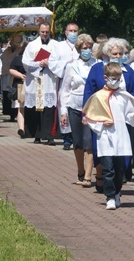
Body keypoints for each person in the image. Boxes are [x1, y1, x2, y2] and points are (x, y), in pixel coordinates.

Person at [83, 63, 134, 210]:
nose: (115, 81)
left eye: (118, 78)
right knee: (108, 168)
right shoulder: (98, 97)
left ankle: (117, 192)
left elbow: (128, 114)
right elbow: (89, 118)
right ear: (105, 78)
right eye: (112, 78)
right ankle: (109, 196)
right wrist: (102, 123)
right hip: (105, 138)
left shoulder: (124, 96)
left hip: (121, 137)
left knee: (120, 169)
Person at [59, 34, 96, 186]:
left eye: (89, 48)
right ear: (79, 49)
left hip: (92, 107)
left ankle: (88, 176)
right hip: (74, 106)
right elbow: (65, 90)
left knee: (89, 141)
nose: (87, 50)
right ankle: (80, 169)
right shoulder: (71, 66)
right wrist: (63, 111)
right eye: (84, 48)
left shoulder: (97, 64)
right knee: (78, 142)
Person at [23, 22, 63, 144]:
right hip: (36, 79)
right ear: (39, 31)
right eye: (42, 32)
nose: (44, 34)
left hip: (50, 79)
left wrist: (49, 63)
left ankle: (50, 136)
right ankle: (37, 135)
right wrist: (39, 64)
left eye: (46, 32)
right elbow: (26, 61)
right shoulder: (32, 45)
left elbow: (61, 62)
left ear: (50, 31)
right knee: (36, 107)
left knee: (49, 108)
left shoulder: (56, 45)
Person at [55, 23, 81, 150]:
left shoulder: (81, 46)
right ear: (65, 32)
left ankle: (76, 137)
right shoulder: (59, 46)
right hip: (64, 80)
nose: (73, 33)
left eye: (75, 30)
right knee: (63, 107)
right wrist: (66, 64)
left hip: (77, 82)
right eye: (70, 30)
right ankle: (66, 138)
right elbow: (53, 62)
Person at [0, 33, 24, 122]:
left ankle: (15, 114)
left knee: (16, 95)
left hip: (15, 75)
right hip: (6, 75)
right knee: (7, 95)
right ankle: (9, 114)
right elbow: (3, 60)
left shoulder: (19, 51)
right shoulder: (7, 51)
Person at [8, 42, 29, 138]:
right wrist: (21, 75)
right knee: (21, 107)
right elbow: (11, 70)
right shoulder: (18, 59)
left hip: (36, 85)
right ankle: (21, 129)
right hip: (20, 85)